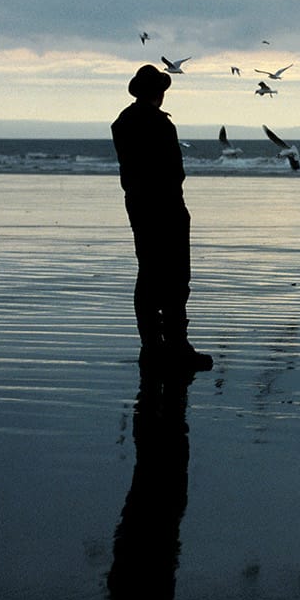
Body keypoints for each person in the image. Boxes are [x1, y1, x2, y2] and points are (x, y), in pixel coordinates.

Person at [111, 64, 212, 370]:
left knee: (148, 273)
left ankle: (152, 347)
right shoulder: (160, 124)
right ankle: (176, 346)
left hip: (139, 204)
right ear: (159, 92)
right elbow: (173, 170)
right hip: (165, 205)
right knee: (175, 277)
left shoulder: (123, 123)